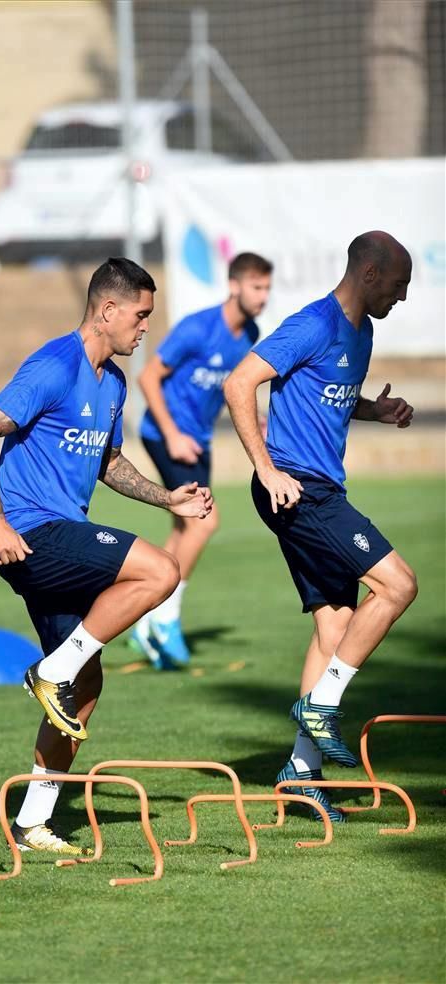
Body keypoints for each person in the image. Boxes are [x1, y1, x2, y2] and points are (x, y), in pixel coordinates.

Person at [0, 257, 213, 855]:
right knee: (162, 570)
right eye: (141, 315)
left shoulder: (116, 383)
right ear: (108, 310)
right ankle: (48, 671)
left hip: (59, 532)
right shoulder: (54, 364)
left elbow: (106, 463)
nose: (146, 327)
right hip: (30, 532)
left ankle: (32, 820)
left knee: (87, 678)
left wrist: (165, 496)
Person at [224, 230, 417, 821]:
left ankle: (301, 775)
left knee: (334, 629)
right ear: (368, 274)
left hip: (321, 488)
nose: (402, 297)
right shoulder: (313, 322)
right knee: (397, 585)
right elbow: (240, 383)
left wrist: (372, 411)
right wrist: (266, 468)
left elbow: (324, 394)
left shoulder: (363, 332)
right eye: (398, 285)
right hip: (298, 489)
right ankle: (321, 705)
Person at [131, 252, 273, 668]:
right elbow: (147, 377)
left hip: (199, 440)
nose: (263, 296)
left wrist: (257, 418)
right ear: (234, 285)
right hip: (166, 435)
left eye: (267, 288)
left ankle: (145, 612)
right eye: (256, 287)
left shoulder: (250, 333)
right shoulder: (196, 327)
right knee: (203, 520)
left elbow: (232, 388)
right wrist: (173, 435)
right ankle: (166, 619)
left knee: (184, 527)